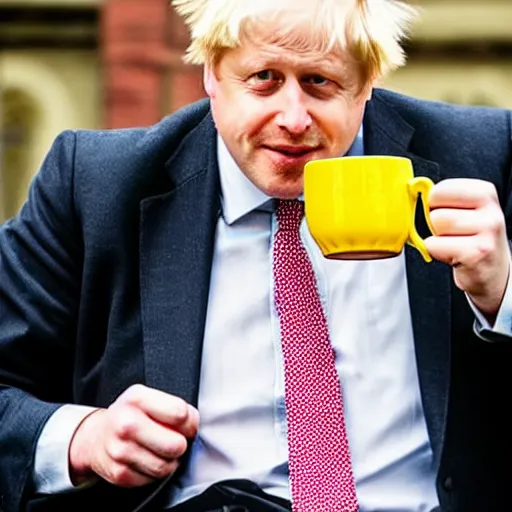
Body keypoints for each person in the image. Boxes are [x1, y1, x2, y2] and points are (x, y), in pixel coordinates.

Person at [0, 0, 511, 510]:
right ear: (212, 73)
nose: (292, 119)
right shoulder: (95, 186)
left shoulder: (482, 157)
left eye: (320, 82)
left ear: (367, 82)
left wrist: (504, 294)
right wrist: (82, 437)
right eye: (264, 78)